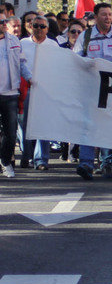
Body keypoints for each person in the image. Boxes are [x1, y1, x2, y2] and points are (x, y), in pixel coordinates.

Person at [73, 2, 112, 180]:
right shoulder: (86, 36)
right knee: (88, 124)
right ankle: (86, 163)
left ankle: (107, 162)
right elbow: (76, 59)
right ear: (96, 17)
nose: (107, 18)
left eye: (110, 14)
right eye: (104, 14)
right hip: (91, 88)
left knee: (108, 125)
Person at [19, 16, 55, 170]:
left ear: (47, 29)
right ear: (30, 27)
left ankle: (41, 160)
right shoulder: (22, 44)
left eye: (42, 26)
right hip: (26, 88)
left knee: (42, 125)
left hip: (45, 90)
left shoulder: (53, 45)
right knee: (24, 124)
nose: (39, 29)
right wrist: (28, 78)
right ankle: (26, 157)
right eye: (36, 26)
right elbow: (19, 64)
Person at [0, 13, 30, 178]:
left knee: (11, 133)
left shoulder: (13, 41)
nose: (4, 24)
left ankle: (5, 161)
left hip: (10, 93)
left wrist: (30, 77)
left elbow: (22, 63)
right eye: (1, 22)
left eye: (5, 21)